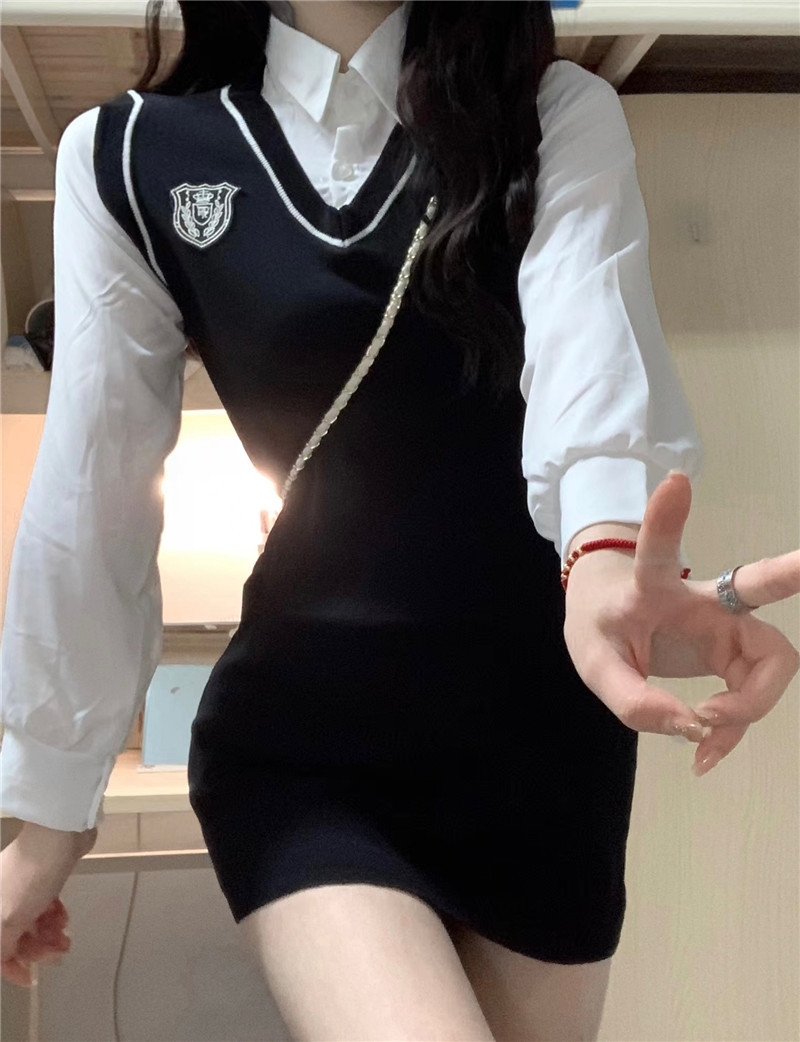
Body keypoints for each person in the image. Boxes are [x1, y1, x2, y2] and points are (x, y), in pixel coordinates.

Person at [1, 2, 798, 1039]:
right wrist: (51, 806)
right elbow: (93, 492)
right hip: (304, 743)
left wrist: (604, 557)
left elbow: (589, 349)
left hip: (542, 751)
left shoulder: (550, 112)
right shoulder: (126, 157)